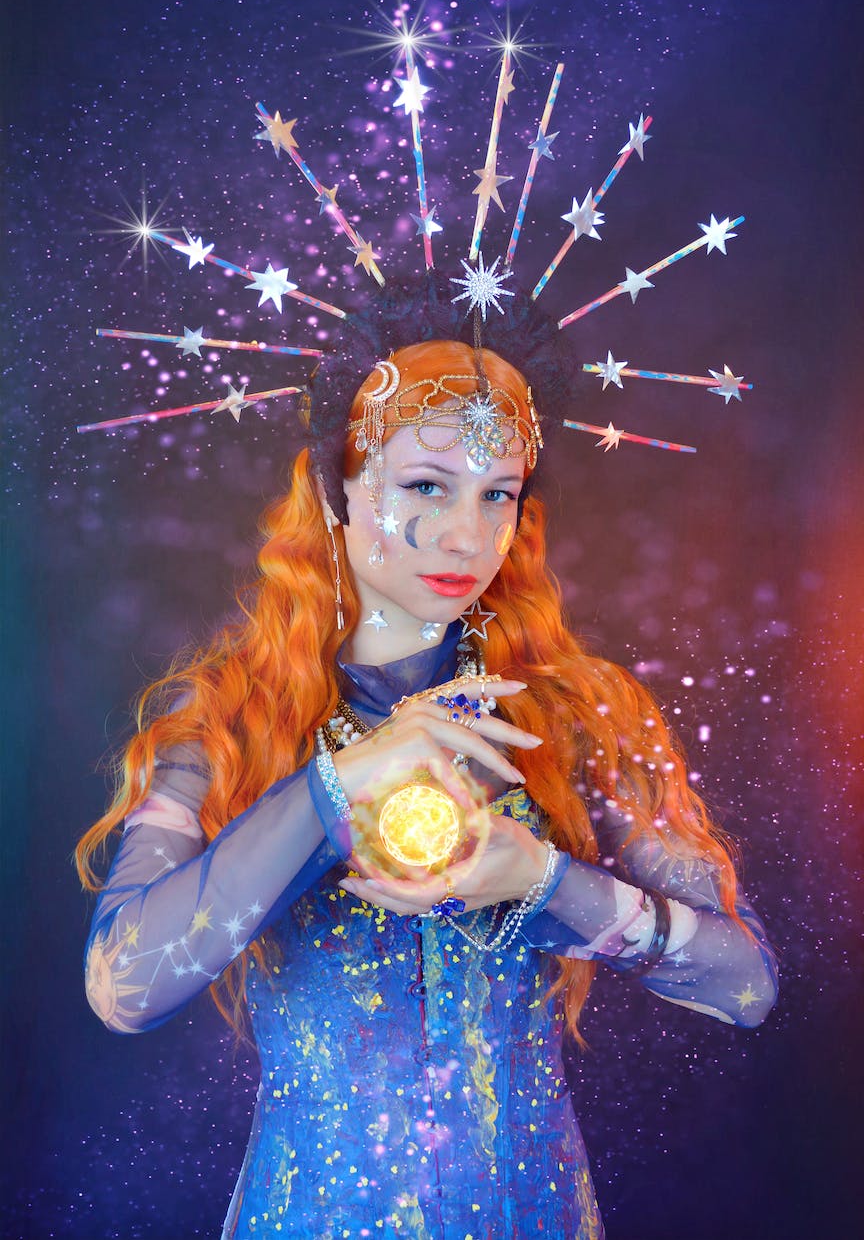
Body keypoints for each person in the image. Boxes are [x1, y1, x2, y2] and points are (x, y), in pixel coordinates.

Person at [77, 332, 778, 1240]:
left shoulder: (575, 714)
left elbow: (746, 985)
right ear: (335, 488)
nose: (466, 535)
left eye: (498, 494)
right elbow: (125, 987)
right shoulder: (229, 719)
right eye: (424, 486)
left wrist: (544, 883)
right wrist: (337, 782)